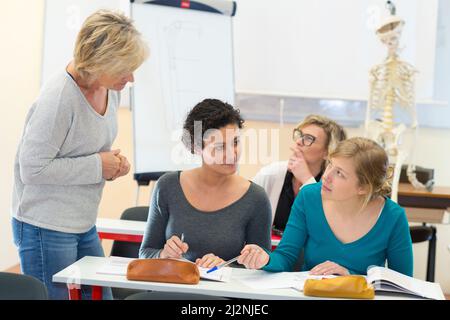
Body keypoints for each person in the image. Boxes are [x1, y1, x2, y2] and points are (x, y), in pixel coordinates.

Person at [11, 10, 149, 299]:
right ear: (100, 62)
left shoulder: (111, 88)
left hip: (82, 222)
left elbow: (82, 150)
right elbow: (32, 169)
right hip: (45, 226)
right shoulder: (59, 99)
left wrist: (111, 164)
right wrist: (98, 165)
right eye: (125, 68)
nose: (131, 77)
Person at [238, 137, 413, 277]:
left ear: (364, 188)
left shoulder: (393, 216)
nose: (326, 176)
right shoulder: (308, 197)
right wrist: (265, 259)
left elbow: (401, 282)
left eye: (340, 173)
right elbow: (286, 257)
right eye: (330, 165)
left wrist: (350, 277)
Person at [139, 99, 272, 268]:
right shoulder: (167, 186)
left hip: (223, 292)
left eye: (235, 142)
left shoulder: (255, 198)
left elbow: (261, 265)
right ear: (196, 147)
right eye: (220, 147)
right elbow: (145, 253)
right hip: (175, 288)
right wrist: (164, 254)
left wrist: (225, 267)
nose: (232, 154)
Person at [253, 114, 346, 232]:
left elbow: (324, 230)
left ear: (327, 152)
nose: (298, 142)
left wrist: (307, 179)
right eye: (300, 135)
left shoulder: (334, 186)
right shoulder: (270, 174)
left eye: (308, 138)